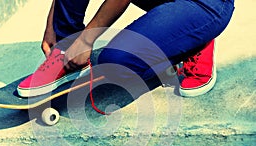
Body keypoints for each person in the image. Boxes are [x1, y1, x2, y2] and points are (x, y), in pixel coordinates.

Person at [17, 0, 235, 98]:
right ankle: (64, 55)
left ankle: (194, 38)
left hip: (206, 3)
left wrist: (85, 41)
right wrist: (54, 27)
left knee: (116, 63)